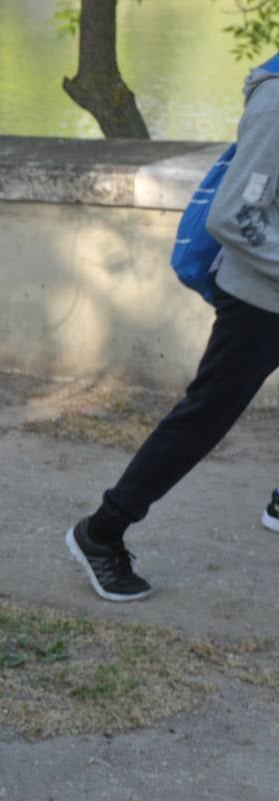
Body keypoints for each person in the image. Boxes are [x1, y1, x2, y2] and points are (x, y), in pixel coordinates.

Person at [66, 56, 279, 601]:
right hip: (260, 299)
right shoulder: (276, 102)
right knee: (203, 419)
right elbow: (235, 218)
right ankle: (101, 532)